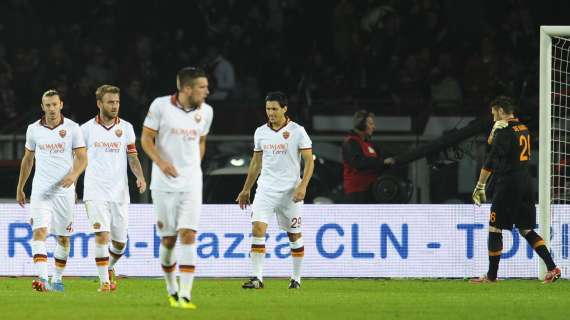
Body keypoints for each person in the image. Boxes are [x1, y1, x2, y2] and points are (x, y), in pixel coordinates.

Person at [141, 67, 213, 309]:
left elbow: (201, 141)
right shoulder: (160, 106)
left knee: (189, 234)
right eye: (202, 87)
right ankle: (171, 288)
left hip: (192, 183)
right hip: (163, 185)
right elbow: (146, 138)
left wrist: (194, 166)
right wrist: (161, 163)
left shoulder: (207, 112)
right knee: (169, 241)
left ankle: (185, 295)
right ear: (186, 88)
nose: (207, 91)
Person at [471, 96, 561, 283]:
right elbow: (500, 147)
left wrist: (480, 185)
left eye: (494, 113)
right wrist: (492, 134)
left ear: (501, 111)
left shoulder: (503, 132)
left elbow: (490, 160)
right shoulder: (524, 129)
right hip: (526, 184)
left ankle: (491, 276)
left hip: (508, 185)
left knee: (495, 228)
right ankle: (553, 268)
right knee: (526, 229)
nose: (493, 118)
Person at [236, 91, 314, 290]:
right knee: (258, 229)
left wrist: (302, 185)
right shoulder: (260, 132)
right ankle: (257, 278)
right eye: (268, 109)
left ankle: (296, 279)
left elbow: (309, 161)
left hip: (290, 192)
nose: (270, 113)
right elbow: (256, 163)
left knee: (294, 235)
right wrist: (246, 189)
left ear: (284, 109)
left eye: (274, 109)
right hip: (266, 190)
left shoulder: (298, 131)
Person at [16, 89, 87, 292]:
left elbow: (82, 157)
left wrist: (74, 176)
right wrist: (21, 187)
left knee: (63, 238)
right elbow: (28, 160)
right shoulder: (33, 129)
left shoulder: (73, 128)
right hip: (40, 191)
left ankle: (57, 279)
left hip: (64, 192)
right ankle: (43, 279)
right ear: (42, 107)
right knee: (39, 232)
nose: (52, 108)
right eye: (48, 105)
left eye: (55, 104)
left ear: (61, 105)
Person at [81, 85, 147, 292]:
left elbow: (132, 156)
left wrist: (140, 176)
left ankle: (108, 267)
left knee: (120, 244)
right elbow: (77, 160)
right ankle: (104, 283)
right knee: (102, 235)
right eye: (110, 102)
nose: (115, 106)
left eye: (117, 102)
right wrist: (73, 184)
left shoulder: (126, 128)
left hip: (120, 193)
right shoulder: (85, 130)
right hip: (95, 191)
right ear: (99, 103)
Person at [342, 110, 395, 203]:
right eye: (370, 124)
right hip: (357, 192)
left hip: (372, 189)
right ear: (361, 125)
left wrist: (385, 164)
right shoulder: (351, 142)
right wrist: (381, 163)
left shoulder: (370, 145)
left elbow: (377, 164)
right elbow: (358, 163)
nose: (374, 127)